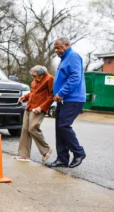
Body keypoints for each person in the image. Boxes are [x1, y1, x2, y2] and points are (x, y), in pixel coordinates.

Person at [46, 37, 86, 168]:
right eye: (55, 48)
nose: (56, 50)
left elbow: (75, 78)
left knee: (64, 125)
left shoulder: (73, 57)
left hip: (72, 99)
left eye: (59, 47)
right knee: (59, 128)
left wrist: (61, 93)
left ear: (67, 45)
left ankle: (79, 153)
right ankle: (62, 158)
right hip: (63, 100)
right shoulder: (64, 59)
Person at [14, 65, 54, 162]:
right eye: (33, 76)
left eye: (35, 76)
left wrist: (42, 107)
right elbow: (33, 93)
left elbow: (52, 96)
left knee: (33, 128)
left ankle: (46, 150)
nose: (34, 78)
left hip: (39, 108)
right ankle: (23, 155)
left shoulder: (50, 79)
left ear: (42, 74)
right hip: (29, 107)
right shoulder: (34, 81)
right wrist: (24, 97)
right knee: (25, 130)